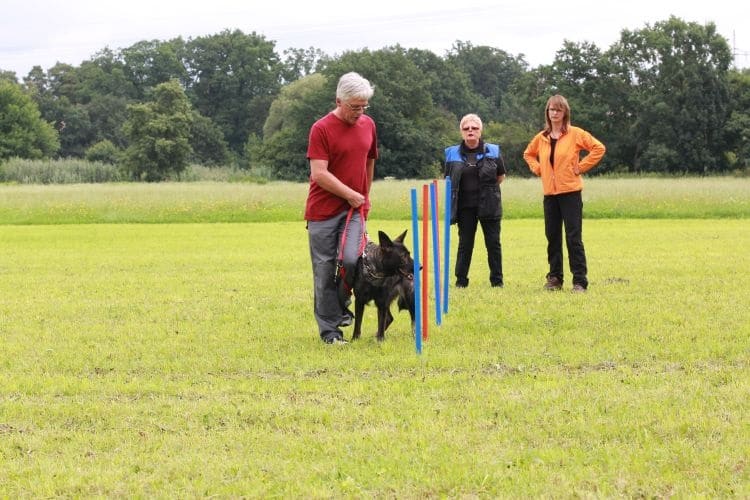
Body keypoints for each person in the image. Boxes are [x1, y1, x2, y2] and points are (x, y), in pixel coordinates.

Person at [305, 72, 378, 344]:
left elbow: (369, 161)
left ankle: (340, 307)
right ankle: (330, 332)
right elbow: (319, 173)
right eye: (354, 107)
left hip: (355, 209)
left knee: (351, 260)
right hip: (323, 211)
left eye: (363, 107)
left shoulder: (369, 125)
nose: (359, 113)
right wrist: (351, 194)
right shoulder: (321, 129)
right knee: (324, 271)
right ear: (339, 100)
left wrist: (365, 197)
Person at [523, 94, 605, 293]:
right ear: (547, 112)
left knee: (573, 237)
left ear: (565, 112)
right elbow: (528, 154)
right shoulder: (541, 137)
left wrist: (581, 167)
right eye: (551, 109)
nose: (554, 113)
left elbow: (598, 148)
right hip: (550, 194)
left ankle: (579, 281)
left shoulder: (575, 134)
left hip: (570, 192)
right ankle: (555, 278)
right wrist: (538, 168)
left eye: (558, 110)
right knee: (552, 237)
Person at [444, 113, 507, 288]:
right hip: (464, 207)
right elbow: (448, 179)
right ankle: (461, 281)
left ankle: (497, 281)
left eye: (474, 128)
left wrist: (488, 190)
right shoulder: (451, 153)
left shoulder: (493, 151)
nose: (470, 131)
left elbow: (500, 176)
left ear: (480, 130)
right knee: (465, 244)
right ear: (461, 132)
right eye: (466, 128)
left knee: (493, 243)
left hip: (489, 204)